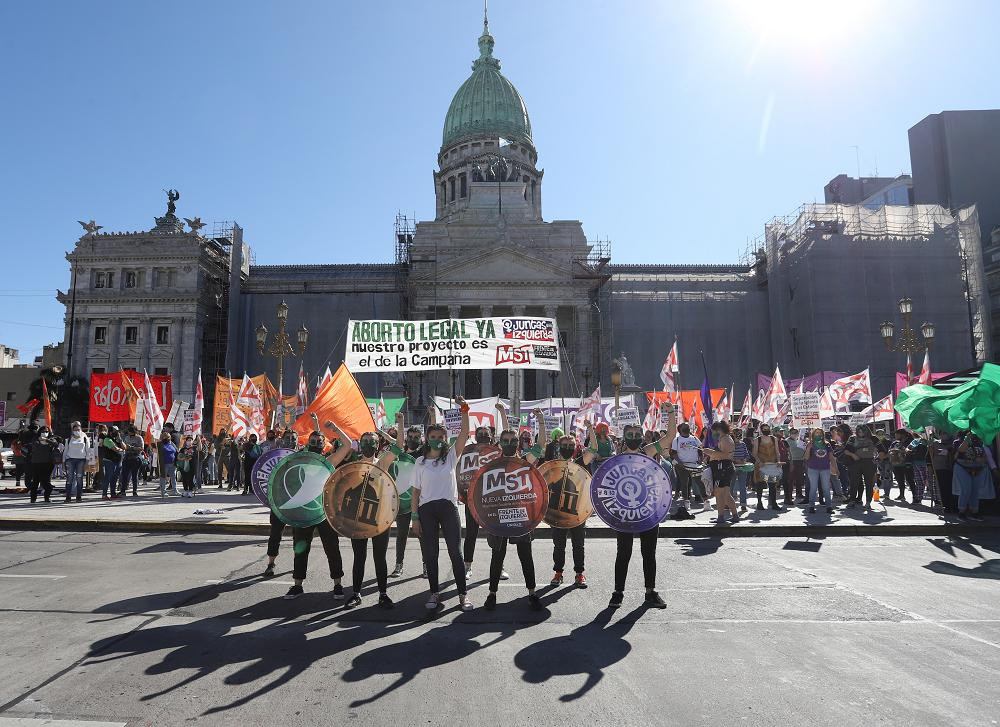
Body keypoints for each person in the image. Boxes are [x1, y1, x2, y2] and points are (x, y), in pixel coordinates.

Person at [601, 412, 677, 609]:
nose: (634, 438)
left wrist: (670, 414)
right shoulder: (617, 458)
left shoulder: (648, 451)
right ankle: (617, 593)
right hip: (625, 513)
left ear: (642, 437)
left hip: (649, 512)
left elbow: (669, 437)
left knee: (648, 553)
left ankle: (650, 592)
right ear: (624, 437)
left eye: (637, 435)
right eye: (630, 435)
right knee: (623, 553)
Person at [479, 405, 547, 611]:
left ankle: (532, 593)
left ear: (518, 444)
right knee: (497, 556)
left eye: (513, 441)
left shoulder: (525, 460)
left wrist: (541, 421)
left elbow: (542, 444)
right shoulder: (492, 463)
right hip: (498, 515)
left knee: (525, 554)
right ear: (499, 443)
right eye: (505, 441)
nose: (509, 443)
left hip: (521, 514)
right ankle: (492, 594)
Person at [409, 396, 473, 611]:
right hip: (426, 511)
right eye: (433, 436)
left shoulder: (451, 456)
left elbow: (464, 434)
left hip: (448, 508)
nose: (437, 439)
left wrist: (464, 410)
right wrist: (414, 518)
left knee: (456, 552)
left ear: (445, 438)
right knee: (431, 553)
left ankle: (463, 595)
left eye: (440, 436)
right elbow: (415, 492)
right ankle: (434, 594)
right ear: (427, 438)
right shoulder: (420, 462)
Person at [283, 419, 352, 600]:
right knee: (300, 548)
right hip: (303, 511)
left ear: (324, 446)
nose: (315, 445)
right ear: (307, 445)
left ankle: (338, 584)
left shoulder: (329, 461)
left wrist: (335, 428)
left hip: (323, 512)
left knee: (332, 548)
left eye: (318, 442)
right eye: (312, 442)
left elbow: (348, 444)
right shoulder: (299, 461)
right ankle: (298, 585)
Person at [546, 431, 589, 588]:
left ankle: (579, 574)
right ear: (559, 447)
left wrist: (590, 428)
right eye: (565, 445)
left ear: (575, 447)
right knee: (559, 545)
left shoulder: (580, 463)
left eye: (570, 446)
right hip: (557, 512)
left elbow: (594, 449)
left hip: (577, 512)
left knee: (578, 545)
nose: (567, 448)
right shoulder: (553, 465)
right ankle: (558, 573)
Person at [389, 416, 426, 578]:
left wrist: (432, 416)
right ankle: (399, 565)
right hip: (403, 501)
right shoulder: (400, 452)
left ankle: (426, 565)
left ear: (421, 439)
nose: (412, 440)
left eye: (416, 438)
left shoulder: (423, 453)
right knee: (401, 534)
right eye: (410, 437)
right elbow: (398, 440)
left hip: (420, 500)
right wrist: (401, 423)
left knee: (422, 534)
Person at [704, 421, 739, 523]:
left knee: (719, 493)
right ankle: (734, 515)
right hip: (723, 467)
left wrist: (710, 452)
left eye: (713, 431)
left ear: (719, 430)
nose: (713, 434)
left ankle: (721, 516)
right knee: (726, 494)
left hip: (723, 467)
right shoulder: (724, 439)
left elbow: (724, 455)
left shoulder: (725, 439)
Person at [952, 431, 989, 522]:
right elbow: (961, 450)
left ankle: (974, 512)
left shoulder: (979, 442)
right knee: (966, 489)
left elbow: (984, 455)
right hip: (962, 467)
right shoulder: (957, 441)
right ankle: (961, 512)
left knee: (975, 490)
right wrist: (967, 439)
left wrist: (982, 460)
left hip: (977, 468)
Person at [671, 421, 704, 510]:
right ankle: (686, 502)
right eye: (685, 427)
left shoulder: (694, 438)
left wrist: (701, 459)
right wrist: (680, 462)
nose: (687, 428)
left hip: (694, 465)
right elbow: (673, 453)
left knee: (699, 482)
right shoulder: (676, 440)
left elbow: (700, 450)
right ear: (680, 430)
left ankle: (706, 502)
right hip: (682, 466)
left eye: (687, 427)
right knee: (684, 484)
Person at [804, 427, 835, 514]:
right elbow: (806, 457)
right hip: (813, 468)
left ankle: (829, 506)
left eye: (820, 433)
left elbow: (831, 457)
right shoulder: (810, 444)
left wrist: (834, 467)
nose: (818, 434)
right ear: (813, 434)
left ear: (823, 434)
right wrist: (809, 448)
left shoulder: (827, 444)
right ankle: (811, 506)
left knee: (826, 488)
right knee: (813, 488)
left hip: (825, 468)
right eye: (816, 433)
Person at [752, 424, 782, 510]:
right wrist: (759, 462)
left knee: (772, 485)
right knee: (760, 485)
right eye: (764, 429)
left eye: (768, 429)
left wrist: (778, 461)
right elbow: (754, 453)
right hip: (761, 464)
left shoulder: (774, 439)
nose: (766, 430)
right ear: (761, 430)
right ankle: (759, 503)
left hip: (772, 464)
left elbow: (777, 451)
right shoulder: (757, 439)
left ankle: (774, 503)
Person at [28, 427, 60, 503]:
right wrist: (40, 440)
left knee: (46, 481)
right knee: (35, 481)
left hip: (48, 463)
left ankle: (47, 497)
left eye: (46, 432)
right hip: (36, 463)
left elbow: (56, 444)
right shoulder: (35, 439)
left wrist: (46, 440)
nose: (45, 433)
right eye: (43, 431)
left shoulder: (51, 439)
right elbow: (34, 447)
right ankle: (33, 498)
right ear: (39, 432)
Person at [63, 421, 90, 502]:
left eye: (78, 429)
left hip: (81, 460)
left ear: (81, 429)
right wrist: (63, 461)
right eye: (75, 430)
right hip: (70, 460)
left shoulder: (85, 438)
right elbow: (65, 451)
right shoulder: (69, 438)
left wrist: (87, 461)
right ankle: (68, 497)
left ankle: (79, 497)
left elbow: (88, 450)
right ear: (72, 430)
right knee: (69, 479)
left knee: (79, 478)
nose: (77, 431)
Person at [888, 429, 914, 503]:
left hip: (907, 463)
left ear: (903, 434)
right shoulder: (895, 442)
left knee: (910, 480)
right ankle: (901, 495)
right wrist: (891, 452)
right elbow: (890, 450)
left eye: (897, 434)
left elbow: (910, 452)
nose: (895, 436)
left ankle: (915, 496)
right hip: (896, 464)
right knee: (900, 480)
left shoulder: (910, 442)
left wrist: (899, 451)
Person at [929, 435, 954, 511]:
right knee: (942, 487)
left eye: (945, 433)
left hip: (950, 467)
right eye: (942, 433)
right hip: (939, 468)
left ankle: (951, 505)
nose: (944, 435)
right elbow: (929, 455)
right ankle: (945, 505)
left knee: (950, 487)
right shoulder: (934, 443)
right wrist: (929, 465)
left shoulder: (952, 443)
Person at [732, 428, 753, 513]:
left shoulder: (743, 444)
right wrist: (735, 460)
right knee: (731, 486)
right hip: (733, 468)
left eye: (740, 433)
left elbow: (747, 455)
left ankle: (743, 504)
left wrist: (743, 460)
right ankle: (729, 504)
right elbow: (728, 455)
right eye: (737, 433)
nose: (738, 435)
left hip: (742, 468)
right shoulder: (730, 444)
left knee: (742, 486)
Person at [100, 427, 125, 500]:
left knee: (114, 478)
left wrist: (120, 440)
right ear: (111, 432)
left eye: (117, 431)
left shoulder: (117, 440)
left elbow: (124, 447)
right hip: (109, 461)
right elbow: (115, 449)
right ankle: (104, 494)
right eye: (115, 431)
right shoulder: (107, 439)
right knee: (108, 478)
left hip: (117, 462)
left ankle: (113, 493)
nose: (117, 433)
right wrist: (121, 450)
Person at [119, 424, 144, 497]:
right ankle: (123, 490)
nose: (129, 433)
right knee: (124, 475)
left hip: (135, 457)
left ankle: (134, 491)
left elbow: (141, 448)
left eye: (130, 431)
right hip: (127, 457)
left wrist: (132, 447)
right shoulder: (127, 437)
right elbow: (125, 447)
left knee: (134, 475)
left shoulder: (139, 438)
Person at [786, 428, 806, 505]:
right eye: (793, 433)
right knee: (791, 479)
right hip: (792, 461)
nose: (795, 434)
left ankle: (799, 493)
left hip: (800, 461)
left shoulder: (799, 441)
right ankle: (789, 495)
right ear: (790, 433)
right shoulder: (787, 441)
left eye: (796, 433)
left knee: (799, 478)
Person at [157, 431, 178, 497]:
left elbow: (176, 451)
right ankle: (163, 492)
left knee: (173, 477)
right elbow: (153, 447)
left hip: (173, 464)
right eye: (165, 436)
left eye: (168, 436)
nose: (167, 437)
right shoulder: (159, 444)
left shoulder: (171, 443)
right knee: (163, 478)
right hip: (164, 464)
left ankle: (175, 490)